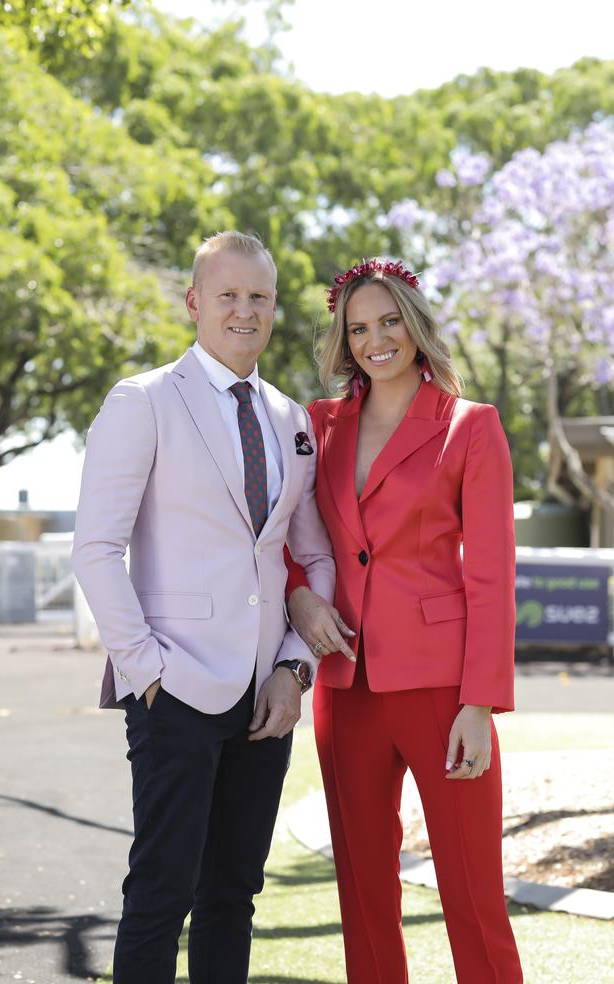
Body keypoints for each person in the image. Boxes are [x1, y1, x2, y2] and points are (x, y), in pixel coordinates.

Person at [72, 231, 343, 984]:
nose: (244, 311)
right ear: (195, 302)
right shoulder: (143, 400)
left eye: (259, 296)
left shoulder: (292, 420)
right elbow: (96, 549)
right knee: (161, 893)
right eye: (228, 295)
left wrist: (294, 667)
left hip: (265, 697)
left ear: (275, 306)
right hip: (175, 689)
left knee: (235, 896)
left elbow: (312, 557)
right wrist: (146, 671)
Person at [287, 259, 524, 983]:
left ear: (416, 325)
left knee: (472, 894)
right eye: (358, 328)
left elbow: (491, 576)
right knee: (363, 894)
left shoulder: (470, 427)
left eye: (389, 321)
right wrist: (300, 595)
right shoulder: (318, 426)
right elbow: (286, 540)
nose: (374, 340)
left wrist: (478, 703)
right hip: (343, 683)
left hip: (441, 690)